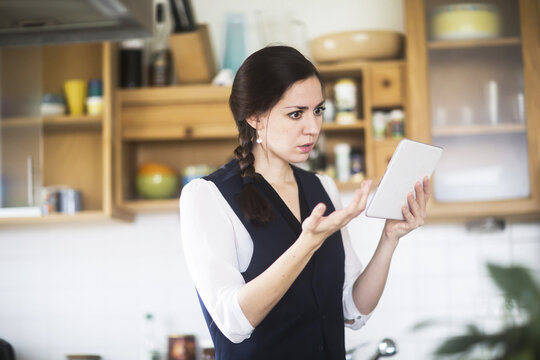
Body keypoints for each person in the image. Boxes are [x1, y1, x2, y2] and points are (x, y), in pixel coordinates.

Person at [180, 45, 430, 360]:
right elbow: (233, 321)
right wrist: (306, 244)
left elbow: (352, 311)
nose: (312, 128)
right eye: (296, 113)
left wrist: (389, 239)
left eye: (318, 110)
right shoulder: (207, 196)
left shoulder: (322, 187)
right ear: (255, 117)